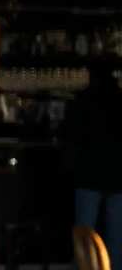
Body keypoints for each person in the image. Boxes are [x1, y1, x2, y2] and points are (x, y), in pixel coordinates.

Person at [68, 59, 122, 263]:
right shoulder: (119, 100)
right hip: (117, 175)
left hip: (89, 174)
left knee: (85, 234)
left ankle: (85, 267)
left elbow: (71, 136)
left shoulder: (83, 100)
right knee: (116, 239)